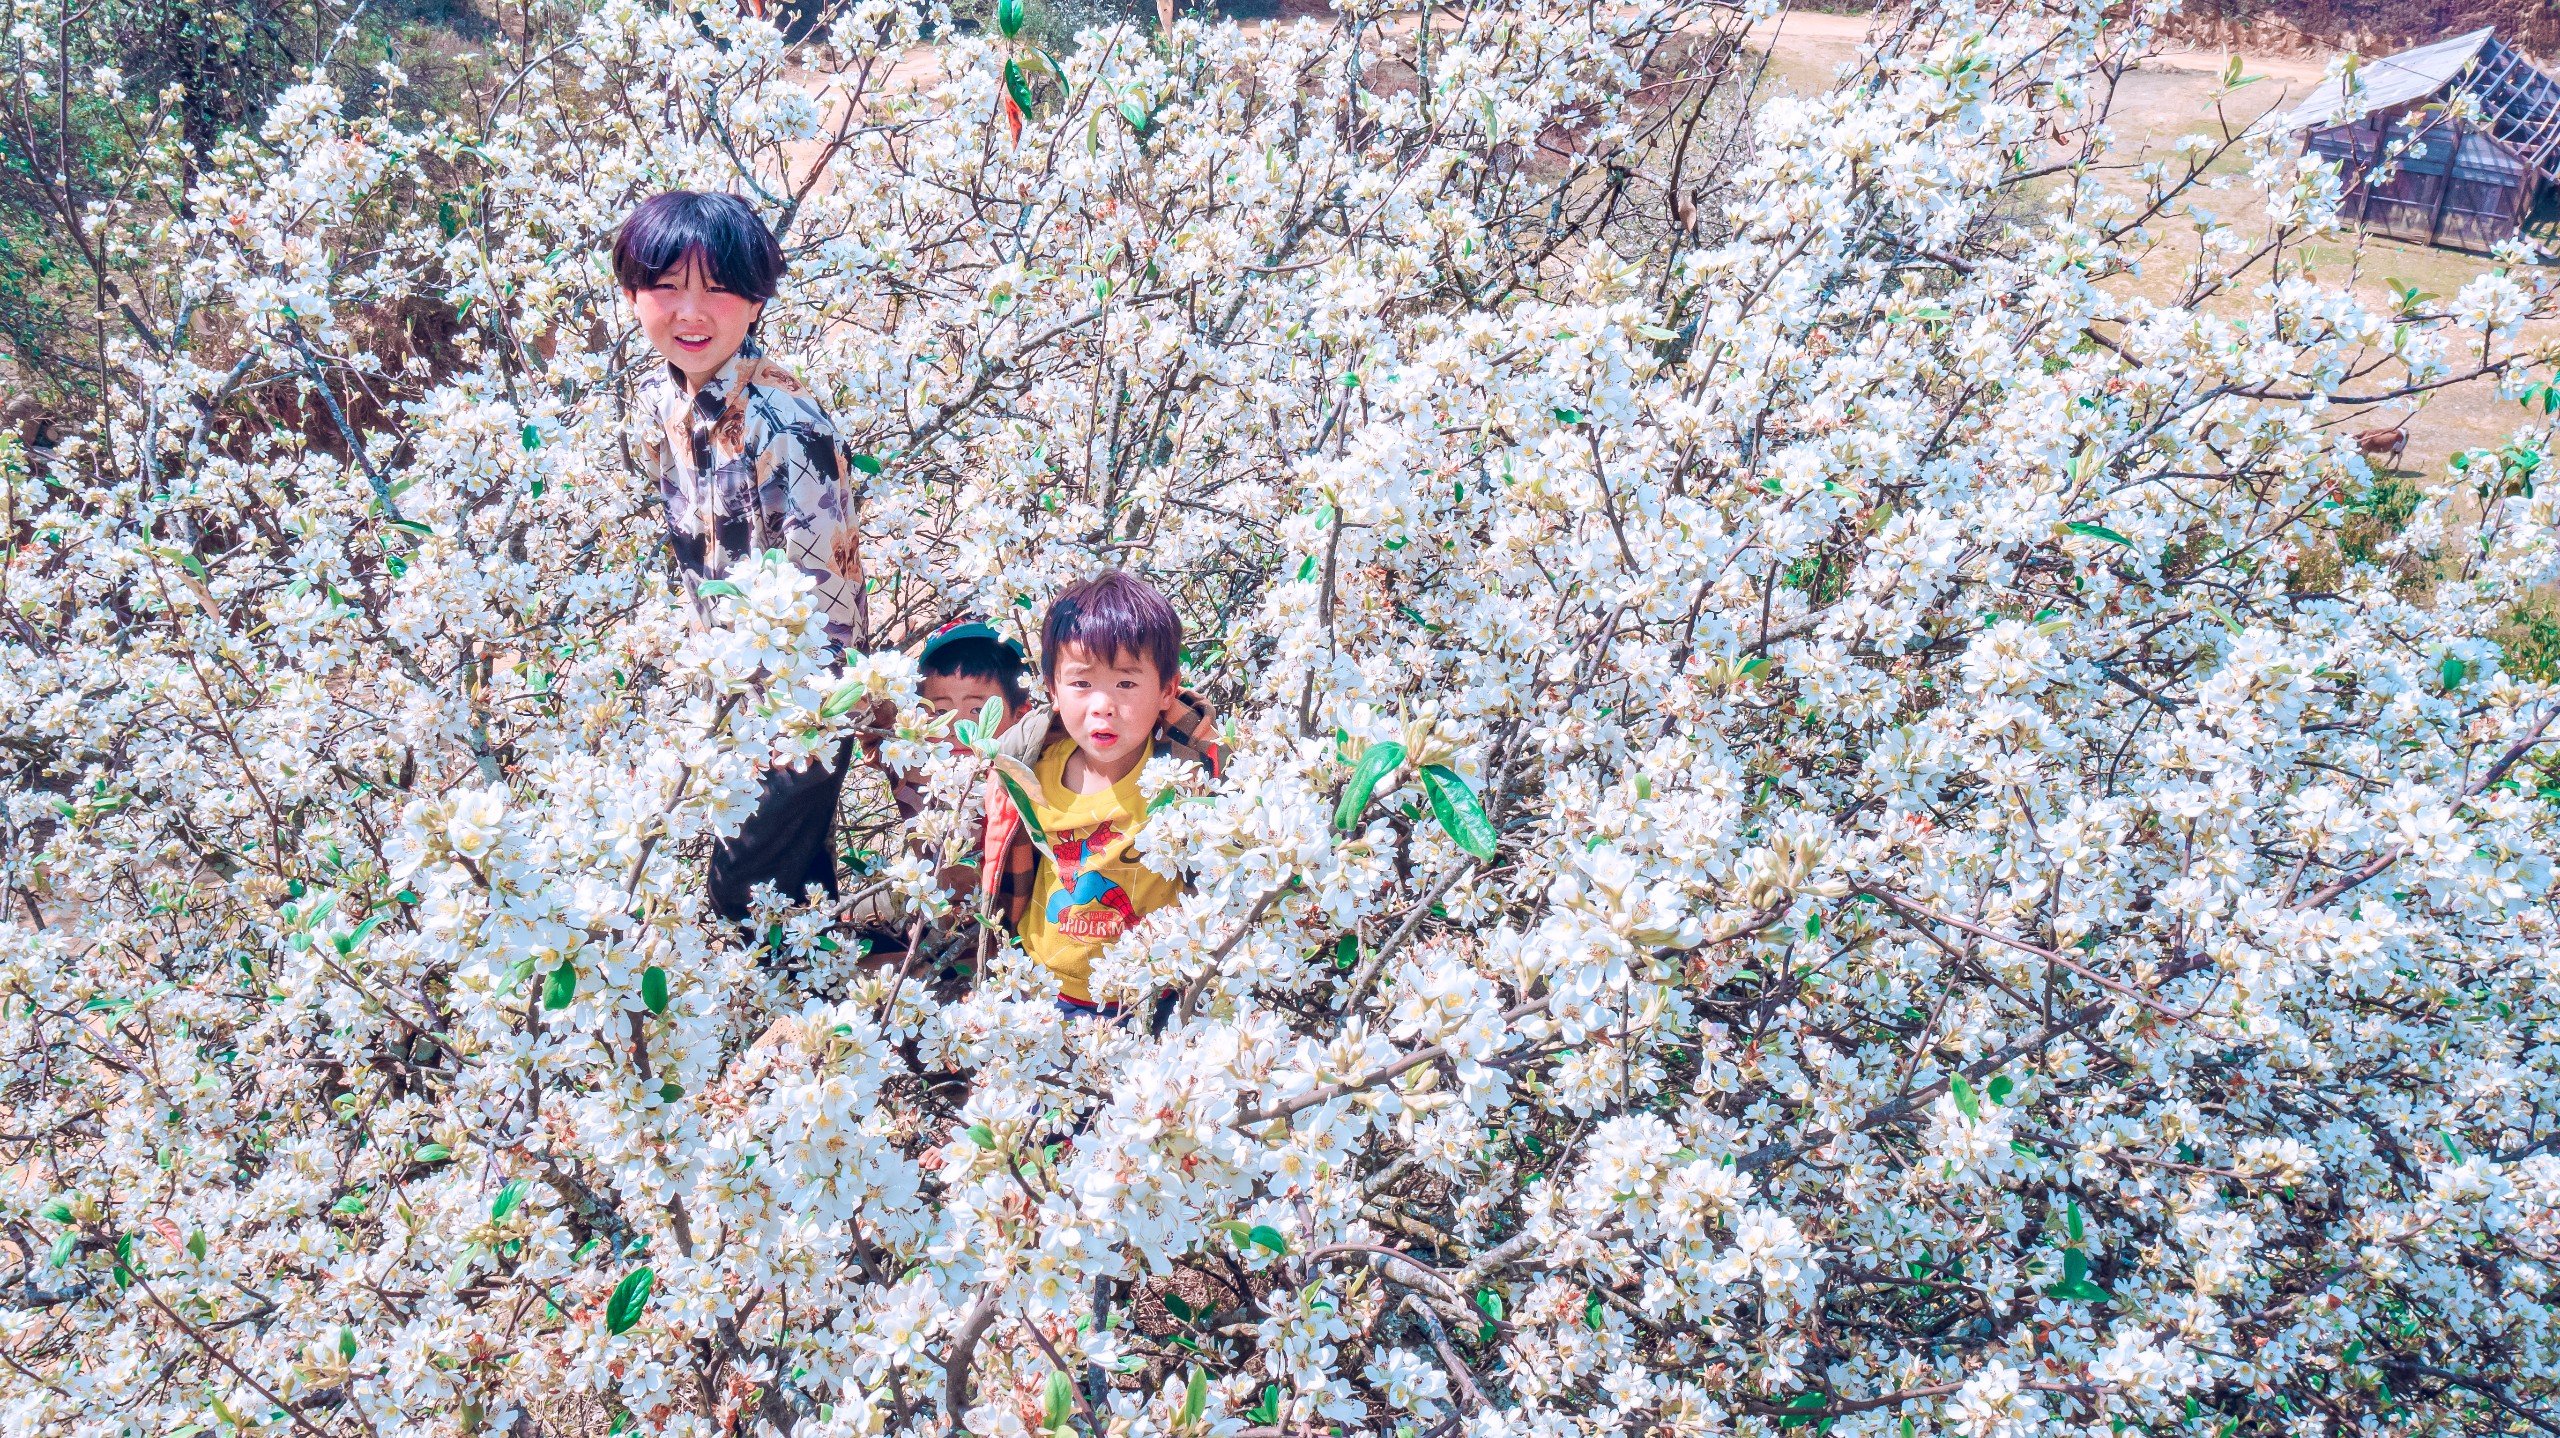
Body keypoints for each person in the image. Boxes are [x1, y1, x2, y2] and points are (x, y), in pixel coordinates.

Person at [617, 190, 870, 926]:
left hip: (796, 712)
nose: (690, 313)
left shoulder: (780, 422)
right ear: (633, 296)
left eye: (717, 289)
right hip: (731, 697)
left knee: (744, 898)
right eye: (665, 287)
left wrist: (787, 746)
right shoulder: (669, 405)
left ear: (756, 301)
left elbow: (830, 611)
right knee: (790, 902)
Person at [979, 571, 1221, 1020]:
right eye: (1081, 684)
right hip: (1045, 988)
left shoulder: (1183, 779)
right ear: (1051, 690)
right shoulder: (1029, 772)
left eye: (1126, 684)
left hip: (1153, 994)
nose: (1102, 704)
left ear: (1167, 690)